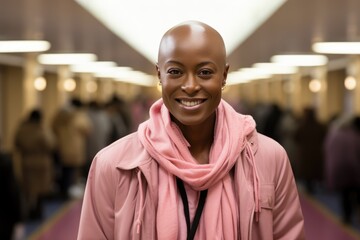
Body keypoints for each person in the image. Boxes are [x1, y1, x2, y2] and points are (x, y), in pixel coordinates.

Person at [78, 21, 305, 240]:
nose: (190, 86)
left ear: (224, 76)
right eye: (175, 72)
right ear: (159, 76)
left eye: (205, 72)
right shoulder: (113, 165)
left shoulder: (269, 158)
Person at [14, 109, 55, 220]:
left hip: (26, 162)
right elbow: (51, 143)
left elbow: (17, 143)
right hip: (41, 162)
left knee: (28, 189)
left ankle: (28, 211)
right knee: (40, 190)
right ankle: (38, 211)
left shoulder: (22, 129)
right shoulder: (42, 129)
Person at [324, 115, 360, 224]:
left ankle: (346, 216)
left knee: (344, 193)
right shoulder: (355, 136)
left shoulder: (333, 135)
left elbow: (326, 150)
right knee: (355, 192)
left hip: (339, 168)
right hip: (354, 168)